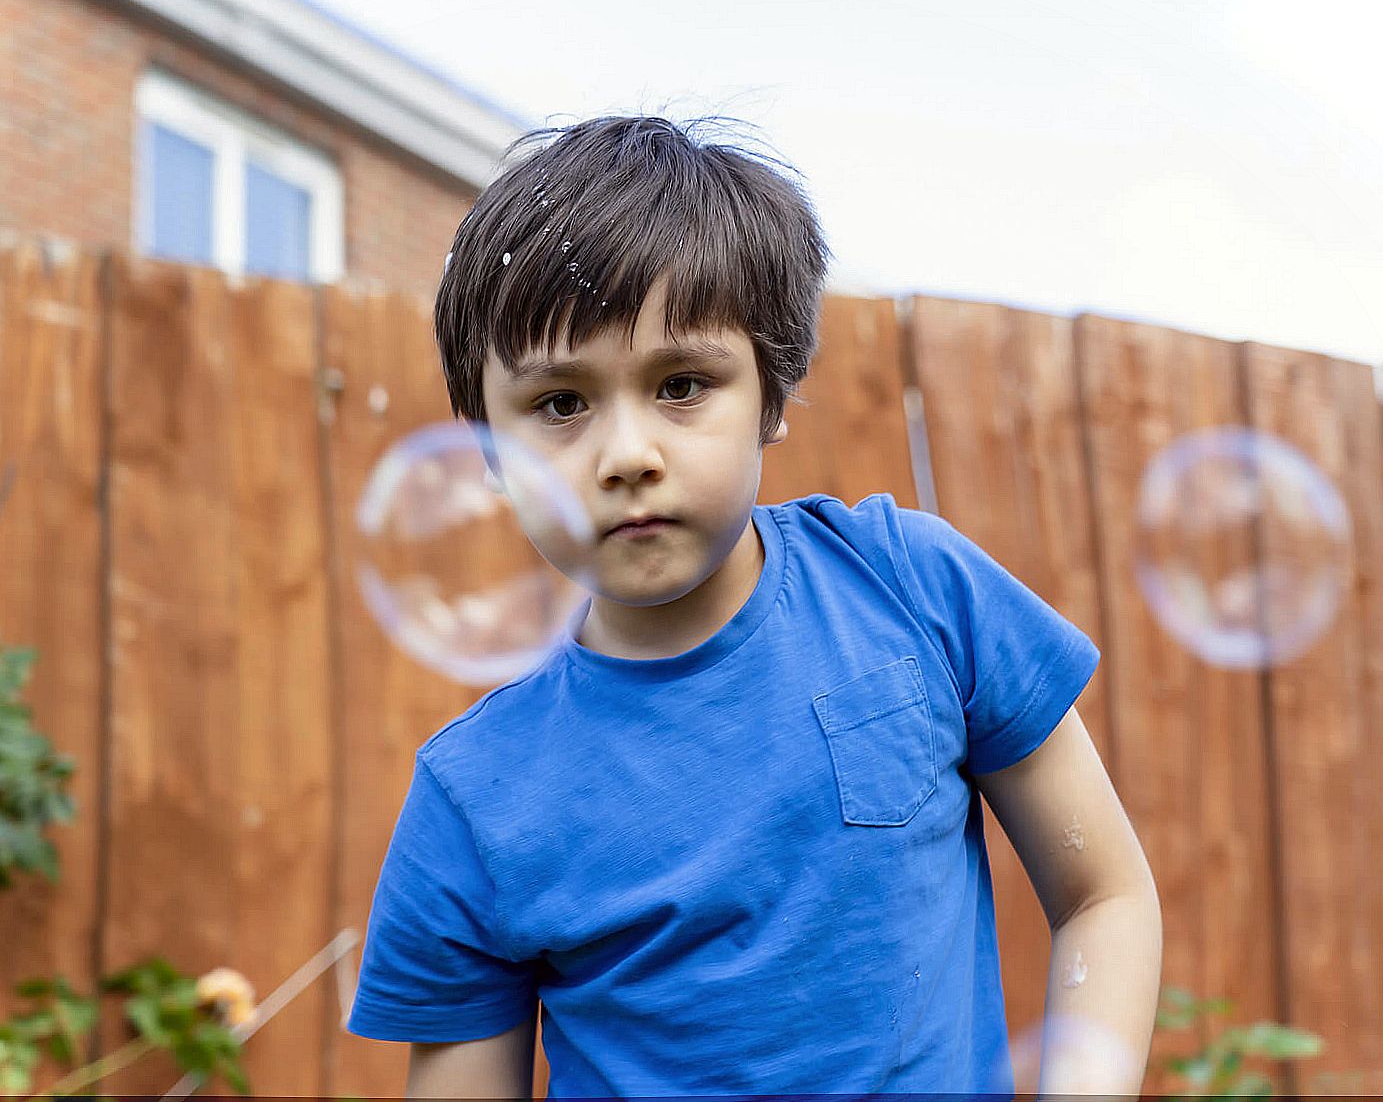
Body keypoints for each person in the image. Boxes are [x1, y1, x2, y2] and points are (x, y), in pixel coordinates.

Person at [346, 115, 1162, 1098]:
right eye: (560, 404)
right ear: (488, 448)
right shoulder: (472, 799)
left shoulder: (916, 593)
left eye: (681, 384)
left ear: (771, 397)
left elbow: (1102, 894)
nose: (626, 454)